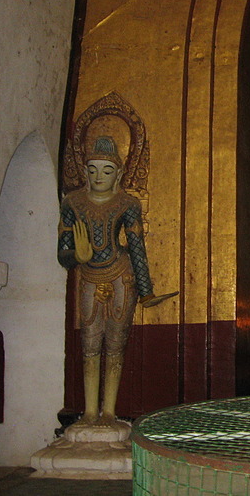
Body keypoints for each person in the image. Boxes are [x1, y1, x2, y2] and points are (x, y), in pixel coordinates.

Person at [58, 136, 177, 427]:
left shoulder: (127, 203)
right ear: (85, 172)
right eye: (93, 169)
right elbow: (62, 255)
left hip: (122, 275)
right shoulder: (73, 203)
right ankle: (89, 412)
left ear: (119, 174)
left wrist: (147, 291)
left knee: (114, 343)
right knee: (88, 343)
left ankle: (108, 411)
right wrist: (77, 255)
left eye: (107, 170)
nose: (99, 176)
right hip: (88, 276)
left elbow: (137, 246)